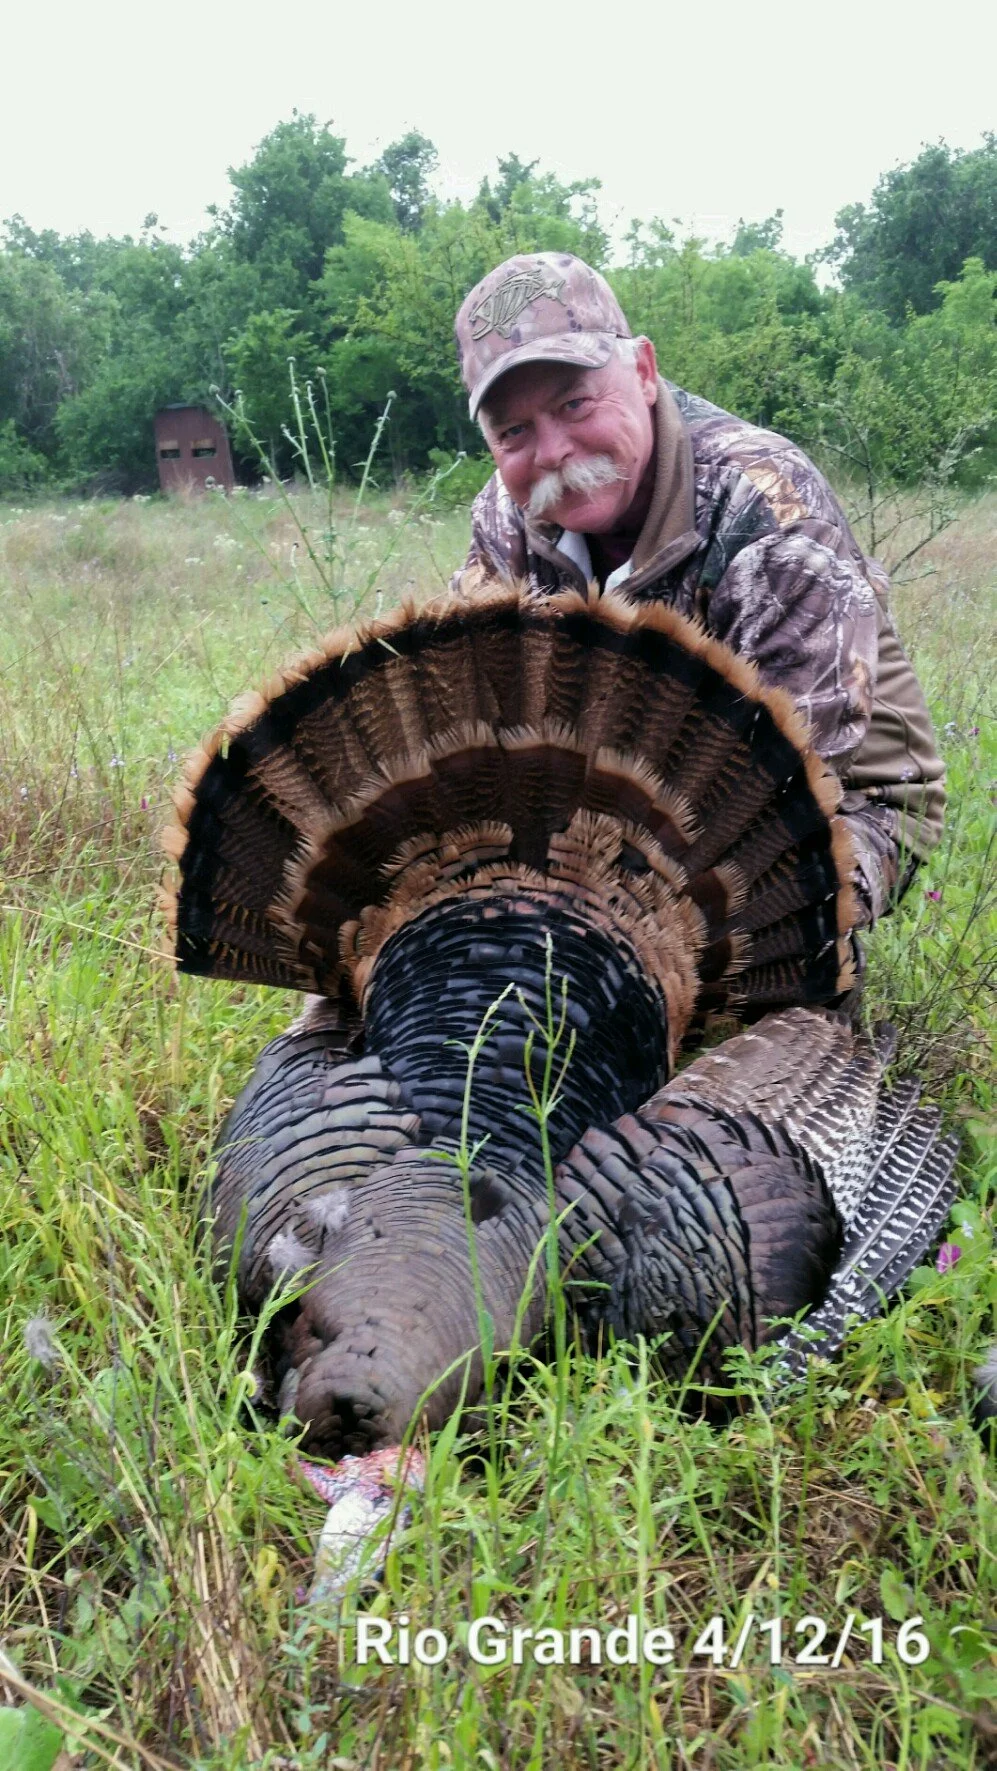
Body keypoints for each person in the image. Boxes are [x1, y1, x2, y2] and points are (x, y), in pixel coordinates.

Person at [450, 252, 945, 932]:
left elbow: (780, 784)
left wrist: (581, 891)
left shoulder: (766, 502)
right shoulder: (505, 515)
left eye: (574, 403)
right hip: (607, 797)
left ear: (643, 371)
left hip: (837, 802)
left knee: (735, 924)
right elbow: (476, 710)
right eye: (513, 431)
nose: (553, 451)